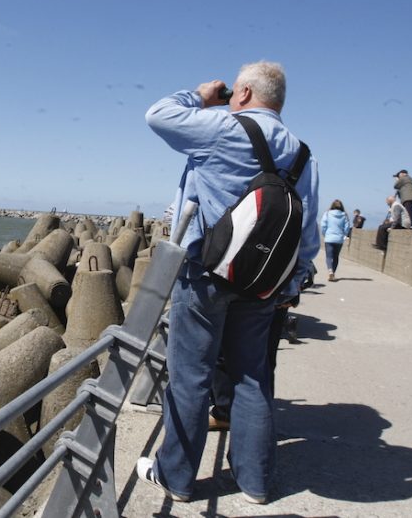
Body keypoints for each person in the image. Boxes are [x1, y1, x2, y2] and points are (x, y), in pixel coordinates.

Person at [139, 61, 319, 505]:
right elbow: (307, 229)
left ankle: (176, 477)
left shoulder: (223, 126)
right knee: (252, 378)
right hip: (263, 283)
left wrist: (200, 96)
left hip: (206, 275)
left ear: (241, 93)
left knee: (191, 377)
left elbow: (157, 114)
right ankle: (255, 483)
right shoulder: (301, 152)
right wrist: (292, 283)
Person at [321, 199, 351, 281]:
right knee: (336, 256)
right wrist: (344, 234)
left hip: (329, 238)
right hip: (339, 239)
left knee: (329, 256)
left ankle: (330, 270)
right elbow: (347, 227)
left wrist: (324, 233)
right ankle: (333, 272)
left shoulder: (327, 214)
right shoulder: (344, 215)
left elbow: (323, 225)